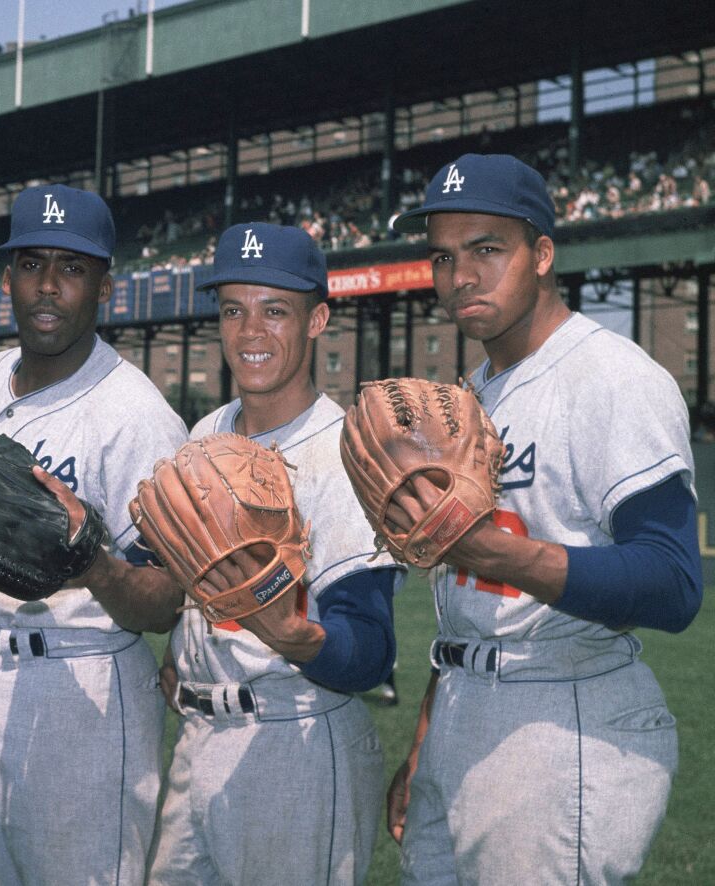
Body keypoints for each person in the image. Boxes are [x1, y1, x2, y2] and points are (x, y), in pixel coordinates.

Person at [386, 153, 703, 883]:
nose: (460, 275)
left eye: (487, 249)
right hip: (465, 708)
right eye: (443, 255)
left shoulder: (612, 377)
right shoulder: (470, 397)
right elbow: (468, 611)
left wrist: (490, 552)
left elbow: (672, 580)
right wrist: (428, 740)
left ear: (543, 255)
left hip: (563, 714)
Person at [0, 184, 189, 885]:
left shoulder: (137, 414)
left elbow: (167, 599)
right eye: (31, 264)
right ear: (8, 278)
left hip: (84, 686)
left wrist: (98, 569)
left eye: (72, 268)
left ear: (105, 287)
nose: (48, 286)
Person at [147, 223, 403, 884]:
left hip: (297, 741)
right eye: (234, 310)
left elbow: (371, 648)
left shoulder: (347, 449)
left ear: (318, 319)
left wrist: (294, 635)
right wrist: (184, 648)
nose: (250, 331)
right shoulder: (206, 432)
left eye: (275, 310)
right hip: (200, 740)